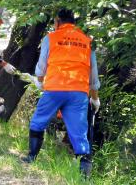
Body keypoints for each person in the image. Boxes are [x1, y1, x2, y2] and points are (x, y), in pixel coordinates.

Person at [23, 9, 101, 178]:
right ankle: (84, 176)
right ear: (74, 22)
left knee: (38, 122)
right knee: (79, 133)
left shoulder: (50, 38)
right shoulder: (88, 41)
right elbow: (93, 75)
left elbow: (41, 65)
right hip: (78, 92)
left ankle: (31, 158)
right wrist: (95, 98)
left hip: (54, 88)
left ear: (58, 21)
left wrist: (40, 80)